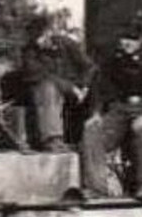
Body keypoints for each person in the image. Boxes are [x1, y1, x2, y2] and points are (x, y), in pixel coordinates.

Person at [80, 25, 142, 199]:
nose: (127, 43)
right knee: (92, 131)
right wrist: (95, 114)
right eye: (124, 38)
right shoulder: (112, 62)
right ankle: (96, 187)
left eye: (132, 39)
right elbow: (98, 89)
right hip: (117, 111)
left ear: (140, 41)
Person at [18, 15, 96, 152]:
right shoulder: (29, 51)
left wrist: (84, 86)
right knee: (47, 87)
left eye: (42, 37)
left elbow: (89, 67)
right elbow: (38, 75)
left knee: (90, 92)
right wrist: (71, 87)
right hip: (43, 90)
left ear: (49, 33)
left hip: (72, 89)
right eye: (36, 38)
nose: (40, 42)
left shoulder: (67, 44)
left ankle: (85, 139)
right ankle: (52, 139)